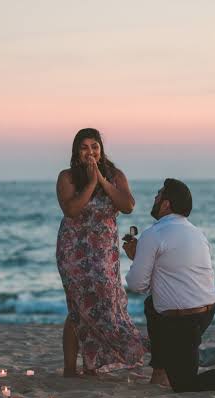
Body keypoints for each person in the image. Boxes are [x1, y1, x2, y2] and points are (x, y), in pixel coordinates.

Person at [123, 178, 215, 393]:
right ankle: (160, 372)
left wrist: (137, 258)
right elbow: (173, 274)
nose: (154, 199)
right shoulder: (196, 233)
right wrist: (141, 257)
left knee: (185, 384)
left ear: (166, 204)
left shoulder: (153, 234)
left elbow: (137, 284)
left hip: (183, 321)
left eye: (158, 195)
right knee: (152, 305)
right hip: (207, 311)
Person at [56, 128, 147, 376]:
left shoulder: (115, 175)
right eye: (84, 147)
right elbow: (71, 210)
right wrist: (91, 183)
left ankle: (93, 364)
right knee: (78, 307)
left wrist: (103, 181)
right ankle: (70, 369)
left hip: (105, 251)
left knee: (106, 302)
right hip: (74, 251)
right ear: (76, 151)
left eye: (94, 146)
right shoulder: (67, 177)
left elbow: (127, 205)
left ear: (101, 149)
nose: (90, 152)